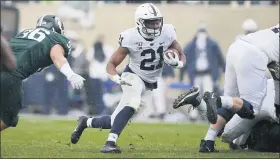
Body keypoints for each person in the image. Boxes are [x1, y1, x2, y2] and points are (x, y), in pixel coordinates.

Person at [70, 3, 186, 153]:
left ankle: (85, 122)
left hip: (150, 83)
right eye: (151, 22)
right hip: (133, 76)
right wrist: (116, 78)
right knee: (133, 102)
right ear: (139, 22)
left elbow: (181, 53)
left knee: (116, 120)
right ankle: (110, 143)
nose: (156, 25)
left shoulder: (167, 32)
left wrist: (179, 63)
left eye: (157, 21)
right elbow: (111, 64)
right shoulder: (130, 37)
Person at [173, 24, 279, 152]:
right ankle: (215, 101)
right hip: (254, 57)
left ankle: (208, 141)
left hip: (237, 47)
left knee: (228, 105)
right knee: (248, 112)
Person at [0, 15, 85, 132]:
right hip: (10, 75)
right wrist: (70, 74)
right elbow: (56, 55)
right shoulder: (55, 38)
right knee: (9, 119)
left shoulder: (25, 33)